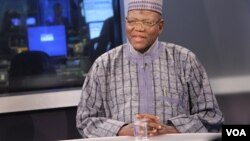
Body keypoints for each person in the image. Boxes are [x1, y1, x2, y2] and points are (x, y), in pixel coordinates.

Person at [76, 0, 224, 138]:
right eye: (132, 21)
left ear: (160, 26)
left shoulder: (185, 60)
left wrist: (170, 130)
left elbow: (212, 117)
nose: (138, 28)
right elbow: (85, 121)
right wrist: (123, 129)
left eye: (147, 22)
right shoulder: (103, 65)